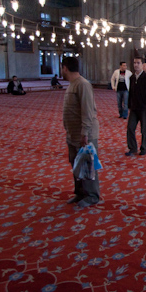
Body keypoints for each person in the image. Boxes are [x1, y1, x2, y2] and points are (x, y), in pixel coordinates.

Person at [61, 56, 101, 208]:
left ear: (65, 68)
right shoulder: (72, 84)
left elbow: (87, 111)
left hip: (85, 135)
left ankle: (92, 195)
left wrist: (85, 133)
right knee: (76, 165)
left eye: (62, 68)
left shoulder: (83, 84)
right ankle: (80, 193)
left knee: (87, 166)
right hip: (73, 134)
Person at [125, 57, 146, 156]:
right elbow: (130, 92)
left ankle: (143, 148)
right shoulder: (132, 78)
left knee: (143, 130)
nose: (136, 65)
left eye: (138, 63)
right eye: (134, 63)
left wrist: (145, 102)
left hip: (143, 108)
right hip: (134, 108)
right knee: (130, 128)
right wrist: (129, 104)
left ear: (142, 64)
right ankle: (132, 148)